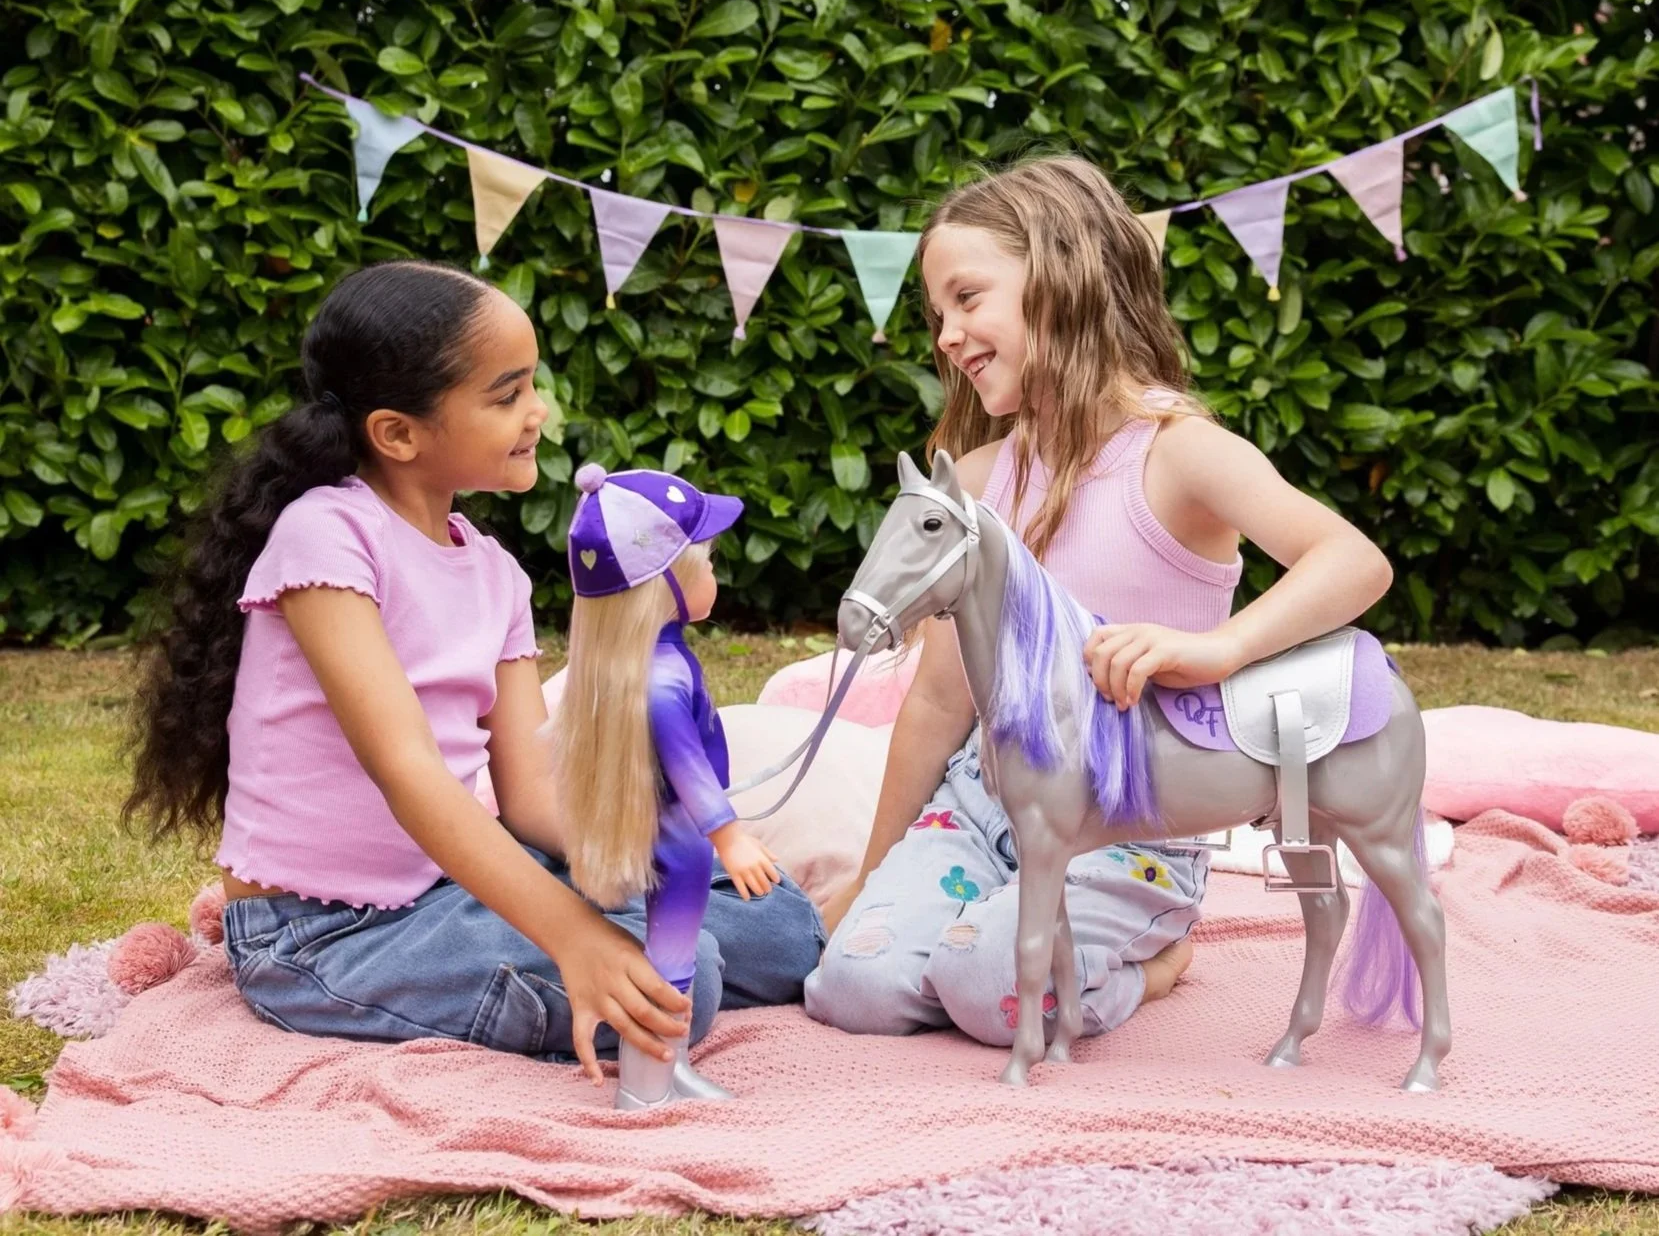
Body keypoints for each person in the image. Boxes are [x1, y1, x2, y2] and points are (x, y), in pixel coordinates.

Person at [122, 260, 822, 1094]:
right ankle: (573, 963)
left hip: (453, 884)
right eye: (506, 395)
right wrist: (572, 932)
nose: (538, 413)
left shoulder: (496, 572)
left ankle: (608, 941)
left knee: (780, 930)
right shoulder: (326, 538)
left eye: (532, 386)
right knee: (684, 979)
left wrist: (663, 847)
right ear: (398, 433)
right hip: (322, 935)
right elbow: (408, 772)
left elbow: (526, 797)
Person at [804, 155, 1393, 1047]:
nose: (946, 336)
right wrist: (872, 869)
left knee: (986, 987)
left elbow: (1352, 562)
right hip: (982, 804)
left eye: (966, 299)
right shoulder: (973, 482)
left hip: (1130, 819)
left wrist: (1222, 649)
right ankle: (981, 929)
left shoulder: (1177, 452)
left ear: (1059, 277)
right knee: (851, 987)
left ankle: (1153, 962)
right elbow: (936, 700)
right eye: (935, 316)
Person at [550, 461, 786, 1107]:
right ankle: (646, 1088)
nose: (714, 575)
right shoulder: (659, 681)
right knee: (669, 964)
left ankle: (666, 1071)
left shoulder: (652, 660)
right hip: (682, 840)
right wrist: (731, 838)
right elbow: (686, 768)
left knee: (672, 959)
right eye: (704, 562)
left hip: (676, 837)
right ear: (669, 582)